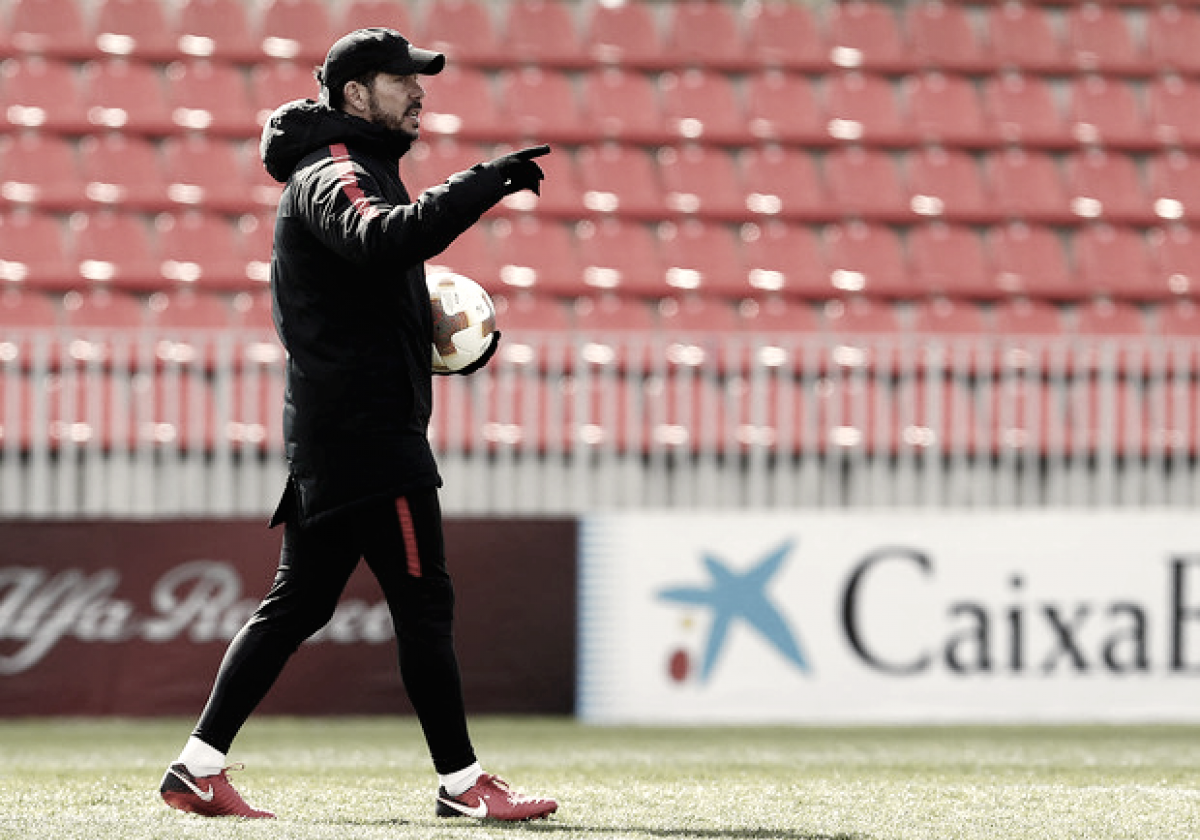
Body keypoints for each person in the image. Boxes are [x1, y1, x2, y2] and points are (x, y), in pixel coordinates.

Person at [157, 27, 556, 823]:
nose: (418, 91)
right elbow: (380, 241)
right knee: (423, 601)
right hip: (370, 438)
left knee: (299, 602)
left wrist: (439, 344)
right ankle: (462, 781)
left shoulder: (348, 168)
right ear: (352, 95)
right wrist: (485, 182)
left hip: (339, 432)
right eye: (399, 78)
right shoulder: (336, 171)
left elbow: (362, 288)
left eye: (419, 78)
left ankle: (196, 768)